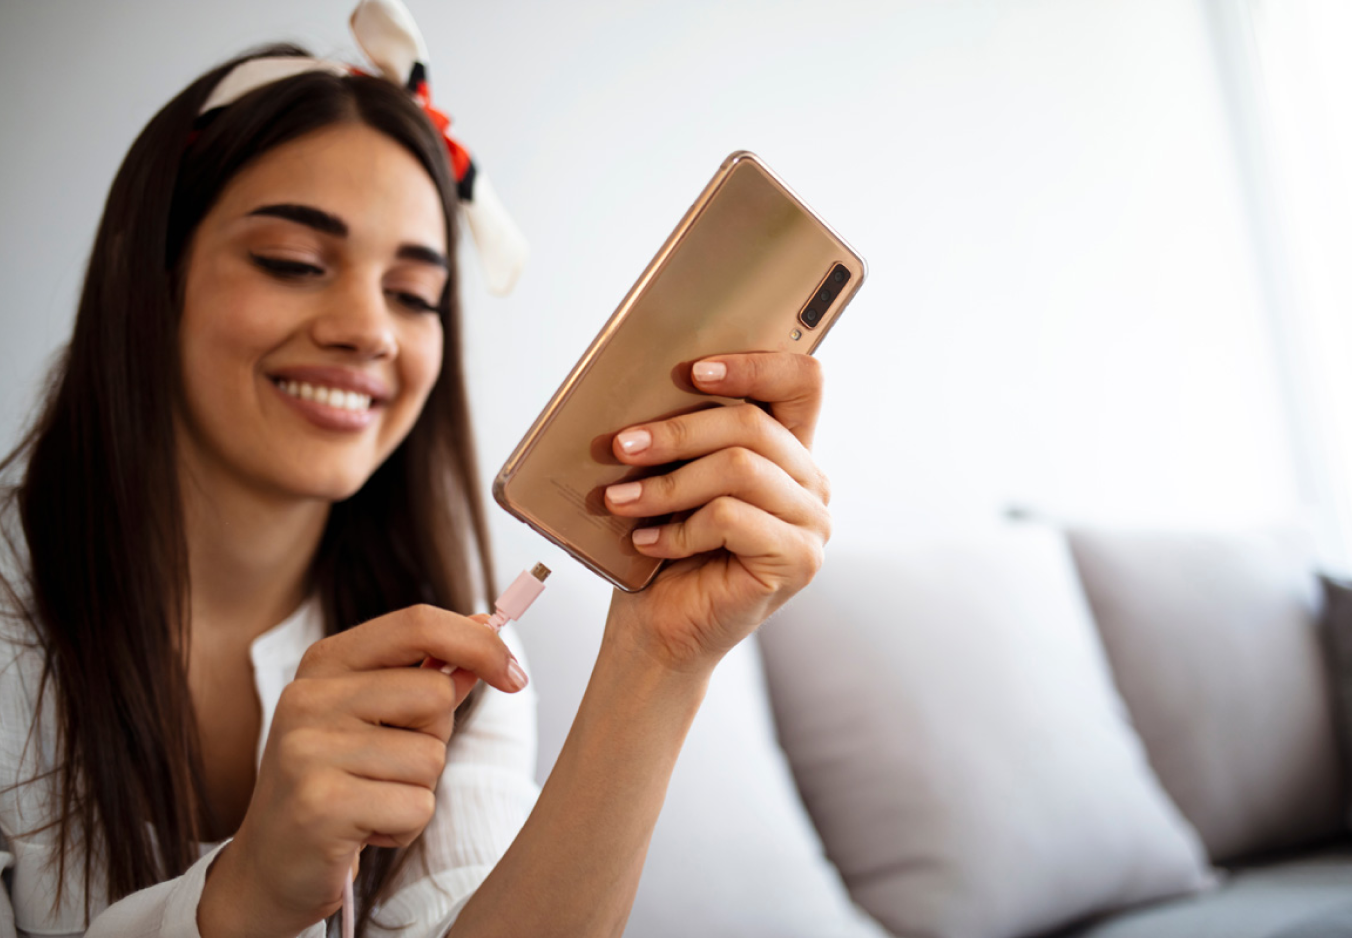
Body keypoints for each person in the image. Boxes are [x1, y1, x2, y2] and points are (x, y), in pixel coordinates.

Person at [0, 3, 831, 936]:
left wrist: (661, 661)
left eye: (413, 293)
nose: (369, 330)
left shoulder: (460, 647)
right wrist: (243, 900)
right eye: (292, 262)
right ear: (147, 274)